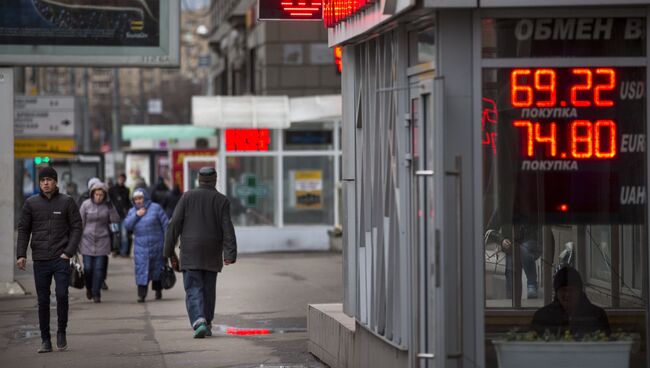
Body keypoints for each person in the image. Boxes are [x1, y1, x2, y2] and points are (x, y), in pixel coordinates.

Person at [164, 167, 237, 338]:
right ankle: (208, 321)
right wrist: (230, 254)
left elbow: (174, 224)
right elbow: (228, 228)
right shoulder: (221, 200)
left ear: (199, 179)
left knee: (193, 288)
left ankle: (199, 321)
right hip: (212, 252)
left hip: (190, 251)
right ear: (215, 179)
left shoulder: (187, 197)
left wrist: (168, 251)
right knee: (208, 288)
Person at [16, 167, 82, 353]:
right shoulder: (31, 203)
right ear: (39, 183)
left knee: (62, 296)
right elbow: (23, 229)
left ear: (56, 182)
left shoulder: (67, 202)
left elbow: (77, 227)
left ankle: (61, 331)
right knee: (43, 300)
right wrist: (21, 254)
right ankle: (45, 339)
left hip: (61, 258)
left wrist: (68, 252)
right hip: (41, 259)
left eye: (49, 179)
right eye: (42, 180)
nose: (45, 183)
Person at [531, 267, 610, 336]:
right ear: (556, 292)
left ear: (579, 291)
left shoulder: (597, 315)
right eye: (563, 290)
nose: (567, 294)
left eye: (571, 290)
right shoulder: (542, 316)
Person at [124, 188, 169, 302]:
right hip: (141, 247)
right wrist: (137, 215)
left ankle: (158, 291)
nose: (138, 201)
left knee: (157, 268)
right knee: (142, 269)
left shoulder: (156, 208)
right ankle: (141, 295)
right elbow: (127, 225)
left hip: (157, 244)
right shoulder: (132, 211)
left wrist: (167, 242)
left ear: (145, 198)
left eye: (140, 198)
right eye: (136, 199)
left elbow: (166, 225)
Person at [486, 210, 544, 299]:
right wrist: (501, 240)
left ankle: (531, 284)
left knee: (523, 248)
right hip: (511, 247)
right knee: (511, 282)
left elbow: (541, 230)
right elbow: (490, 230)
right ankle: (512, 304)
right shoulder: (502, 208)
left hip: (530, 244)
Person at [79, 181, 120, 303]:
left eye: (101, 195)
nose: (98, 197)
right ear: (92, 194)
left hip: (103, 241)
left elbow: (116, 220)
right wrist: (75, 240)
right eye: (96, 194)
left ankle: (96, 293)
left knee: (99, 269)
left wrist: (111, 207)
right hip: (87, 240)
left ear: (104, 195)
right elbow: (80, 223)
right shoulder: (85, 205)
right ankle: (89, 287)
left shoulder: (107, 206)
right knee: (88, 268)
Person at [108, 173, 133, 257]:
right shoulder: (112, 190)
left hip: (123, 216)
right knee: (115, 234)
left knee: (124, 234)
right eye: (120, 179)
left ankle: (123, 251)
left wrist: (129, 210)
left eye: (123, 179)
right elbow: (109, 201)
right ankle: (115, 250)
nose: (121, 180)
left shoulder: (126, 190)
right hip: (114, 216)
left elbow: (128, 202)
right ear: (117, 179)